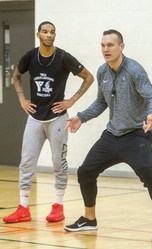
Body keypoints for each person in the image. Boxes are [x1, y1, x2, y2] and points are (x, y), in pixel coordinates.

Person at [63, 29, 152, 244]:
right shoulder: (102, 72)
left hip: (136, 134)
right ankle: (89, 218)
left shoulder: (134, 70)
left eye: (110, 45)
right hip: (112, 134)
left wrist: (151, 115)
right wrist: (81, 117)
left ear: (121, 47)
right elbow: (101, 102)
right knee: (86, 172)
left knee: (148, 175)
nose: (106, 49)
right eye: (103, 45)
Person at [2, 21, 94, 223]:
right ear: (38, 34)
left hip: (57, 119)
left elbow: (88, 77)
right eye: (45, 32)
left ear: (55, 35)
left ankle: (58, 206)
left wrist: (71, 100)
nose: (49, 35)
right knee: (26, 162)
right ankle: (23, 207)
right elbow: (16, 76)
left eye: (52, 32)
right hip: (34, 118)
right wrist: (22, 99)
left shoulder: (63, 57)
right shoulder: (30, 56)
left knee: (58, 164)